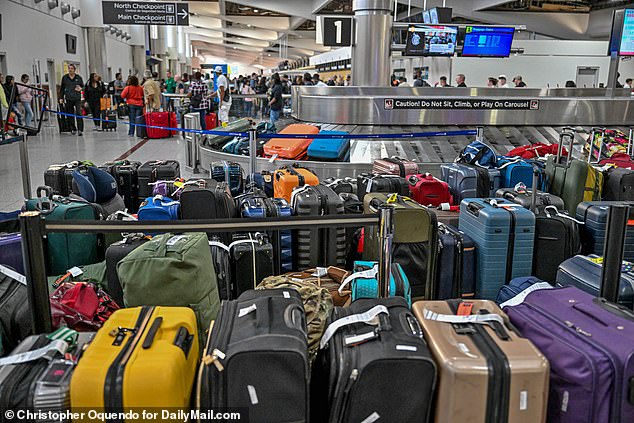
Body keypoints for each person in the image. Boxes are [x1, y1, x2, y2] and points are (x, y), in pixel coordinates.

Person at [59, 64, 84, 135]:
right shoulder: (65, 78)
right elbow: (62, 89)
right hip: (68, 98)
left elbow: (83, 86)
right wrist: (61, 98)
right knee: (70, 114)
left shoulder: (78, 78)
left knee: (78, 112)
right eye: (69, 68)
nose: (70, 70)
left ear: (74, 69)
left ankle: (80, 129)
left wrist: (81, 89)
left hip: (77, 98)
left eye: (72, 68)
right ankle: (73, 128)